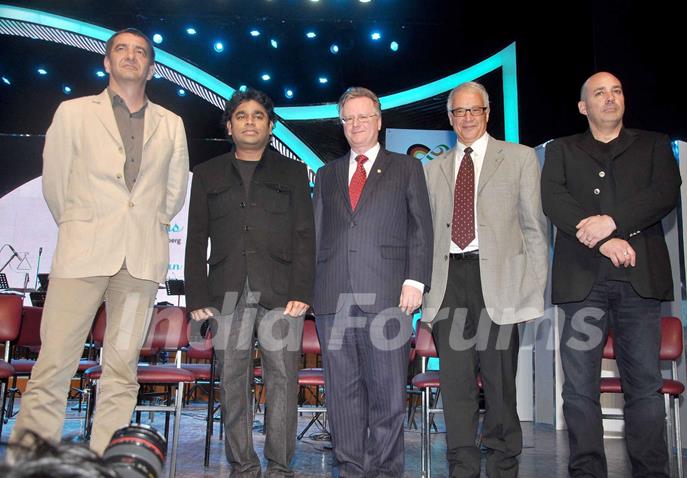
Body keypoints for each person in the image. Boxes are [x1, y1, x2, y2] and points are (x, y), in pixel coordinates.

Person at [9, 28, 189, 455]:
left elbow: (172, 194)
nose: (131, 57)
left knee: (122, 371)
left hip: (140, 261)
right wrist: (82, 225)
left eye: (140, 52)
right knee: (54, 366)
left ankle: (103, 463)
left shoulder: (171, 124)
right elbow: (56, 186)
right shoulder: (73, 113)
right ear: (107, 62)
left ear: (151, 66)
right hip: (82, 255)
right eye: (121, 50)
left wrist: (144, 227)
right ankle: (30, 462)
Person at [541, 71, 681, 477]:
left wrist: (612, 222)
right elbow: (553, 200)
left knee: (645, 388)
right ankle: (587, 472)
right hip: (580, 284)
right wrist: (603, 241)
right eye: (599, 93)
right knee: (579, 391)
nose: (609, 98)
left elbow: (664, 194)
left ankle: (652, 472)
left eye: (617, 91)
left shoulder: (654, 145)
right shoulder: (562, 150)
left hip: (640, 282)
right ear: (583, 107)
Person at [184, 87, 315, 478]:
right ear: (229, 126)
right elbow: (195, 237)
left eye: (258, 115)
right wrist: (197, 295)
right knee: (234, 383)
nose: (250, 122)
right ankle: (243, 465)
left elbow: (305, 235)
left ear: (270, 126)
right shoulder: (207, 174)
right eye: (242, 115)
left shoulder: (291, 173)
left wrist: (302, 292)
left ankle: (279, 466)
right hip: (226, 293)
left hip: (281, 296)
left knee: (283, 382)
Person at [422, 81, 548, 477]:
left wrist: (531, 290)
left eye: (474, 110)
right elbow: (424, 237)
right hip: (447, 286)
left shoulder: (520, 158)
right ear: (450, 118)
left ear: (488, 113)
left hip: (500, 284)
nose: (467, 118)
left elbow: (534, 229)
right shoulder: (432, 169)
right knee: (455, 388)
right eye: (459, 112)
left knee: (499, 386)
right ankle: (461, 467)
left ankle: (502, 466)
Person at [313, 86, 433, 477]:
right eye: (349, 118)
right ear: (342, 124)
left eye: (364, 117)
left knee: (387, 396)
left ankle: (384, 472)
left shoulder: (406, 168)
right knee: (342, 398)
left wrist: (416, 280)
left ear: (379, 121)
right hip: (333, 298)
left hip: (389, 297)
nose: (356, 125)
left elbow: (421, 229)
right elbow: (315, 234)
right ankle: (349, 469)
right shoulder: (327, 174)